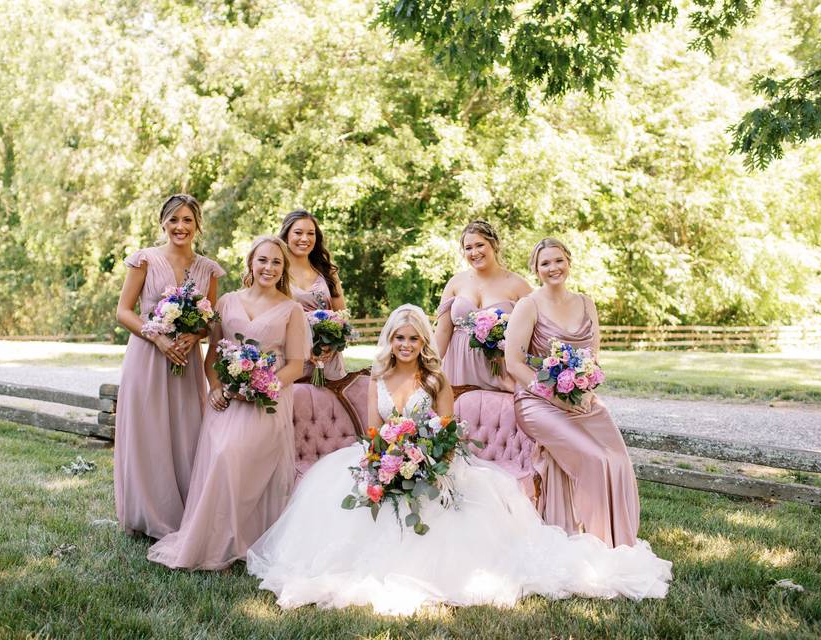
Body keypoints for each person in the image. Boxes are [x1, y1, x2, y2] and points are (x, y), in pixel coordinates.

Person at [247, 304, 671, 615]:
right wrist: (385, 460)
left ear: (423, 343)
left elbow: (444, 432)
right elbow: (372, 432)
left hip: (432, 458)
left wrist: (423, 459)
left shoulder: (435, 379)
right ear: (389, 341)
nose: (407, 345)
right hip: (385, 455)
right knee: (349, 495)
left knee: (446, 509)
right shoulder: (378, 376)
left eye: (414, 338)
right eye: (400, 337)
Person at [147, 236, 310, 569]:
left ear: (283, 269)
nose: (269, 267)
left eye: (276, 262)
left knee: (232, 454)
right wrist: (217, 387)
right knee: (219, 454)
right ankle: (210, 538)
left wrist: (260, 385)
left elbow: (295, 364)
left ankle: (243, 538)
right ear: (250, 262)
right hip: (226, 399)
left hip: (268, 401)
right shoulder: (227, 302)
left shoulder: (291, 310)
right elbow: (212, 355)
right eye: (263, 260)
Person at [505, 238, 640, 547]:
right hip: (537, 402)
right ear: (536, 270)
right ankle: (597, 542)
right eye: (545, 263)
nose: (553, 268)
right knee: (594, 458)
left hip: (579, 400)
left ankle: (620, 540)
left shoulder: (585, 302)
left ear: (569, 262)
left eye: (558, 260)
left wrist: (587, 391)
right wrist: (552, 396)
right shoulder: (529, 305)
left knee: (617, 458)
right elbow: (513, 363)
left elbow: (592, 357)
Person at [113, 194, 222, 539]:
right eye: (174, 220)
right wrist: (157, 337)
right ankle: (143, 514)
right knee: (148, 434)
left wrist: (195, 334)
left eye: (187, 220)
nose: (180, 227)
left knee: (185, 432)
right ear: (163, 223)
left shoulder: (208, 269)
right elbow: (124, 312)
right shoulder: (144, 260)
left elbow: (211, 321)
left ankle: (183, 513)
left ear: (197, 225)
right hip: (148, 357)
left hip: (185, 362)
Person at [435, 221, 532, 391]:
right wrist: (428, 369)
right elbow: (443, 331)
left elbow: (533, 334)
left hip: (500, 373)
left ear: (494, 245)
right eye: (468, 248)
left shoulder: (518, 284)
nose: (474, 252)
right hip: (458, 369)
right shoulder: (455, 283)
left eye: (480, 245)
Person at [278, 209, 347, 381]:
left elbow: (342, 317)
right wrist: (304, 347)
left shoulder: (328, 272)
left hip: (327, 360)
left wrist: (331, 344)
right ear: (286, 235)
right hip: (292, 359)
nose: (305, 238)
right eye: (298, 232)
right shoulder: (277, 273)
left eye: (311, 233)